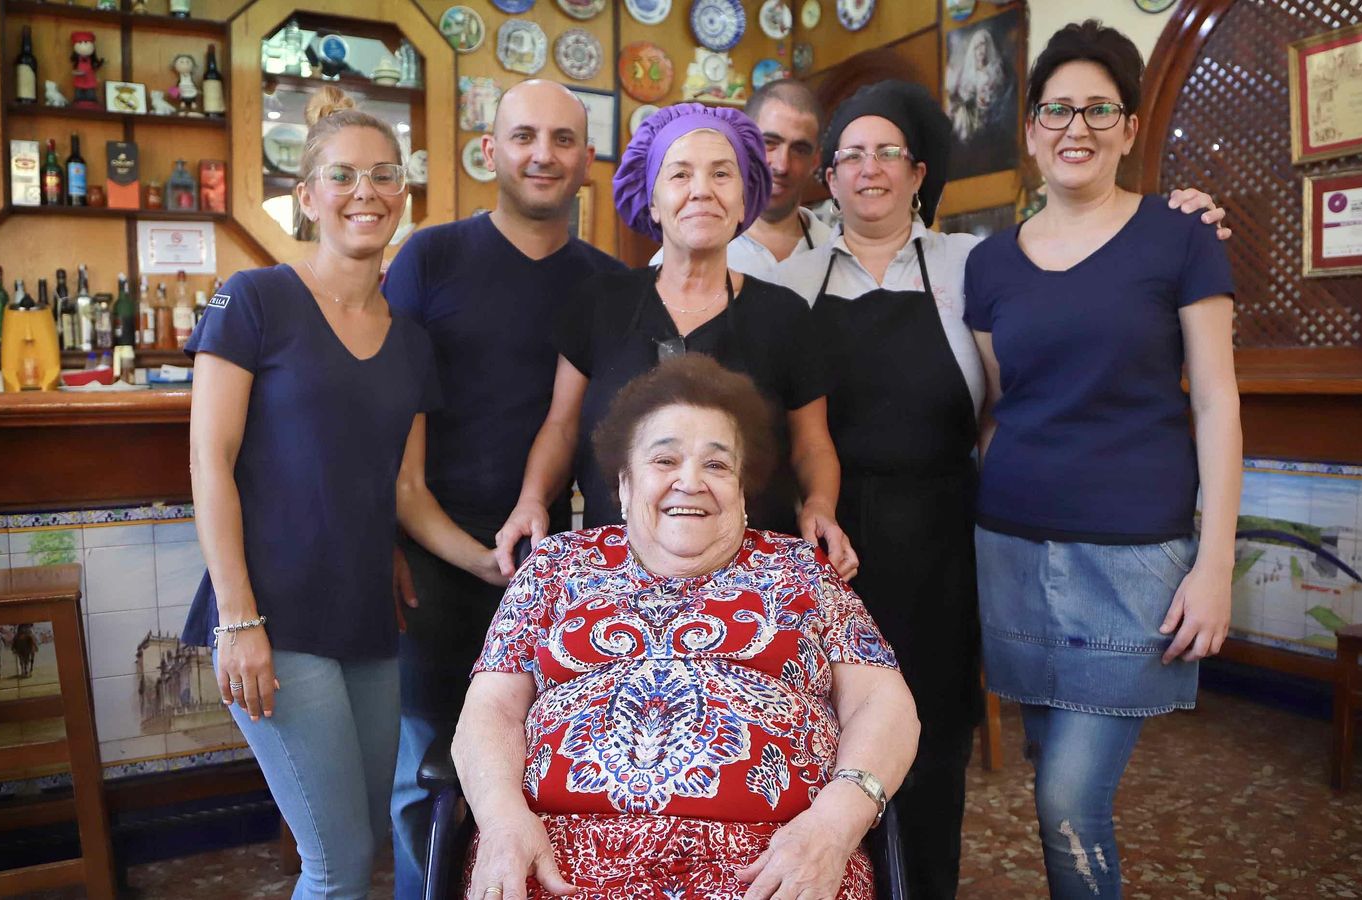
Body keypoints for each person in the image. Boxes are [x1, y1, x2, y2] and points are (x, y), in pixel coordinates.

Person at [776, 78, 1233, 900]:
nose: (869, 170)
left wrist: (1182, 215)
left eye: (889, 154)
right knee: (820, 731)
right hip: (826, 541)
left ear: (920, 173)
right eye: (850, 156)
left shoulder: (973, 261)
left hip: (949, 535)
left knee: (937, 736)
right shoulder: (785, 280)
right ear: (830, 178)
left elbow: (1011, 394)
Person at [456, 354, 918, 900]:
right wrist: (504, 819)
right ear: (624, 486)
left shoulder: (800, 570)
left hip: (776, 864)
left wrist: (834, 826)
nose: (690, 482)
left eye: (718, 466)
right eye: (665, 459)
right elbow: (491, 708)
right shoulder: (556, 566)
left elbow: (884, 705)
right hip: (560, 862)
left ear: (744, 494)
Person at [963, 21, 1242, 899]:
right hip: (1009, 549)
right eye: (1056, 109)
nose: (1074, 127)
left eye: (1097, 109)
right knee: (1055, 773)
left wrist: (1216, 561)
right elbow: (1001, 408)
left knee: (1068, 797)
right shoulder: (989, 264)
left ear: (1127, 129)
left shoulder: (1182, 239)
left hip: (1133, 558)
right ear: (1032, 129)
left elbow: (1218, 402)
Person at [183, 86, 439, 898]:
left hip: (365, 617)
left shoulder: (412, 341)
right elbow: (208, 464)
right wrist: (238, 619)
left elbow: (408, 490)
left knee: (365, 851)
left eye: (384, 174)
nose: (366, 190)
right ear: (307, 196)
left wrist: (509, 559)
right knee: (334, 865)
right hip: (274, 618)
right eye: (343, 175)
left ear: (404, 192)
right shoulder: (254, 298)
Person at [380, 79, 626, 898]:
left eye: (563, 139)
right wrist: (388, 542)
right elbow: (383, 410)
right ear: (490, 151)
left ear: (586, 161)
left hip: (548, 566)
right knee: (427, 766)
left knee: (538, 766)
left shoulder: (606, 284)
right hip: (433, 552)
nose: (543, 154)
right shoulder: (429, 257)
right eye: (524, 136)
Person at [495, 102, 857, 583]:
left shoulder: (784, 315)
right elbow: (561, 427)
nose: (702, 191)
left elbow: (812, 445)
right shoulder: (601, 302)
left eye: (722, 174)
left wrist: (819, 506)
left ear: (745, 199)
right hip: (613, 573)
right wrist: (531, 501)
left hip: (750, 577)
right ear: (651, 201)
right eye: (680, 174)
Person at [648, 79, 832, 278]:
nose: (782, 165)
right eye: (769, 143)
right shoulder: (678, 258)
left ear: (815, 161)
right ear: (744, 145)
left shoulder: (834, 251)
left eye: (799, 149)